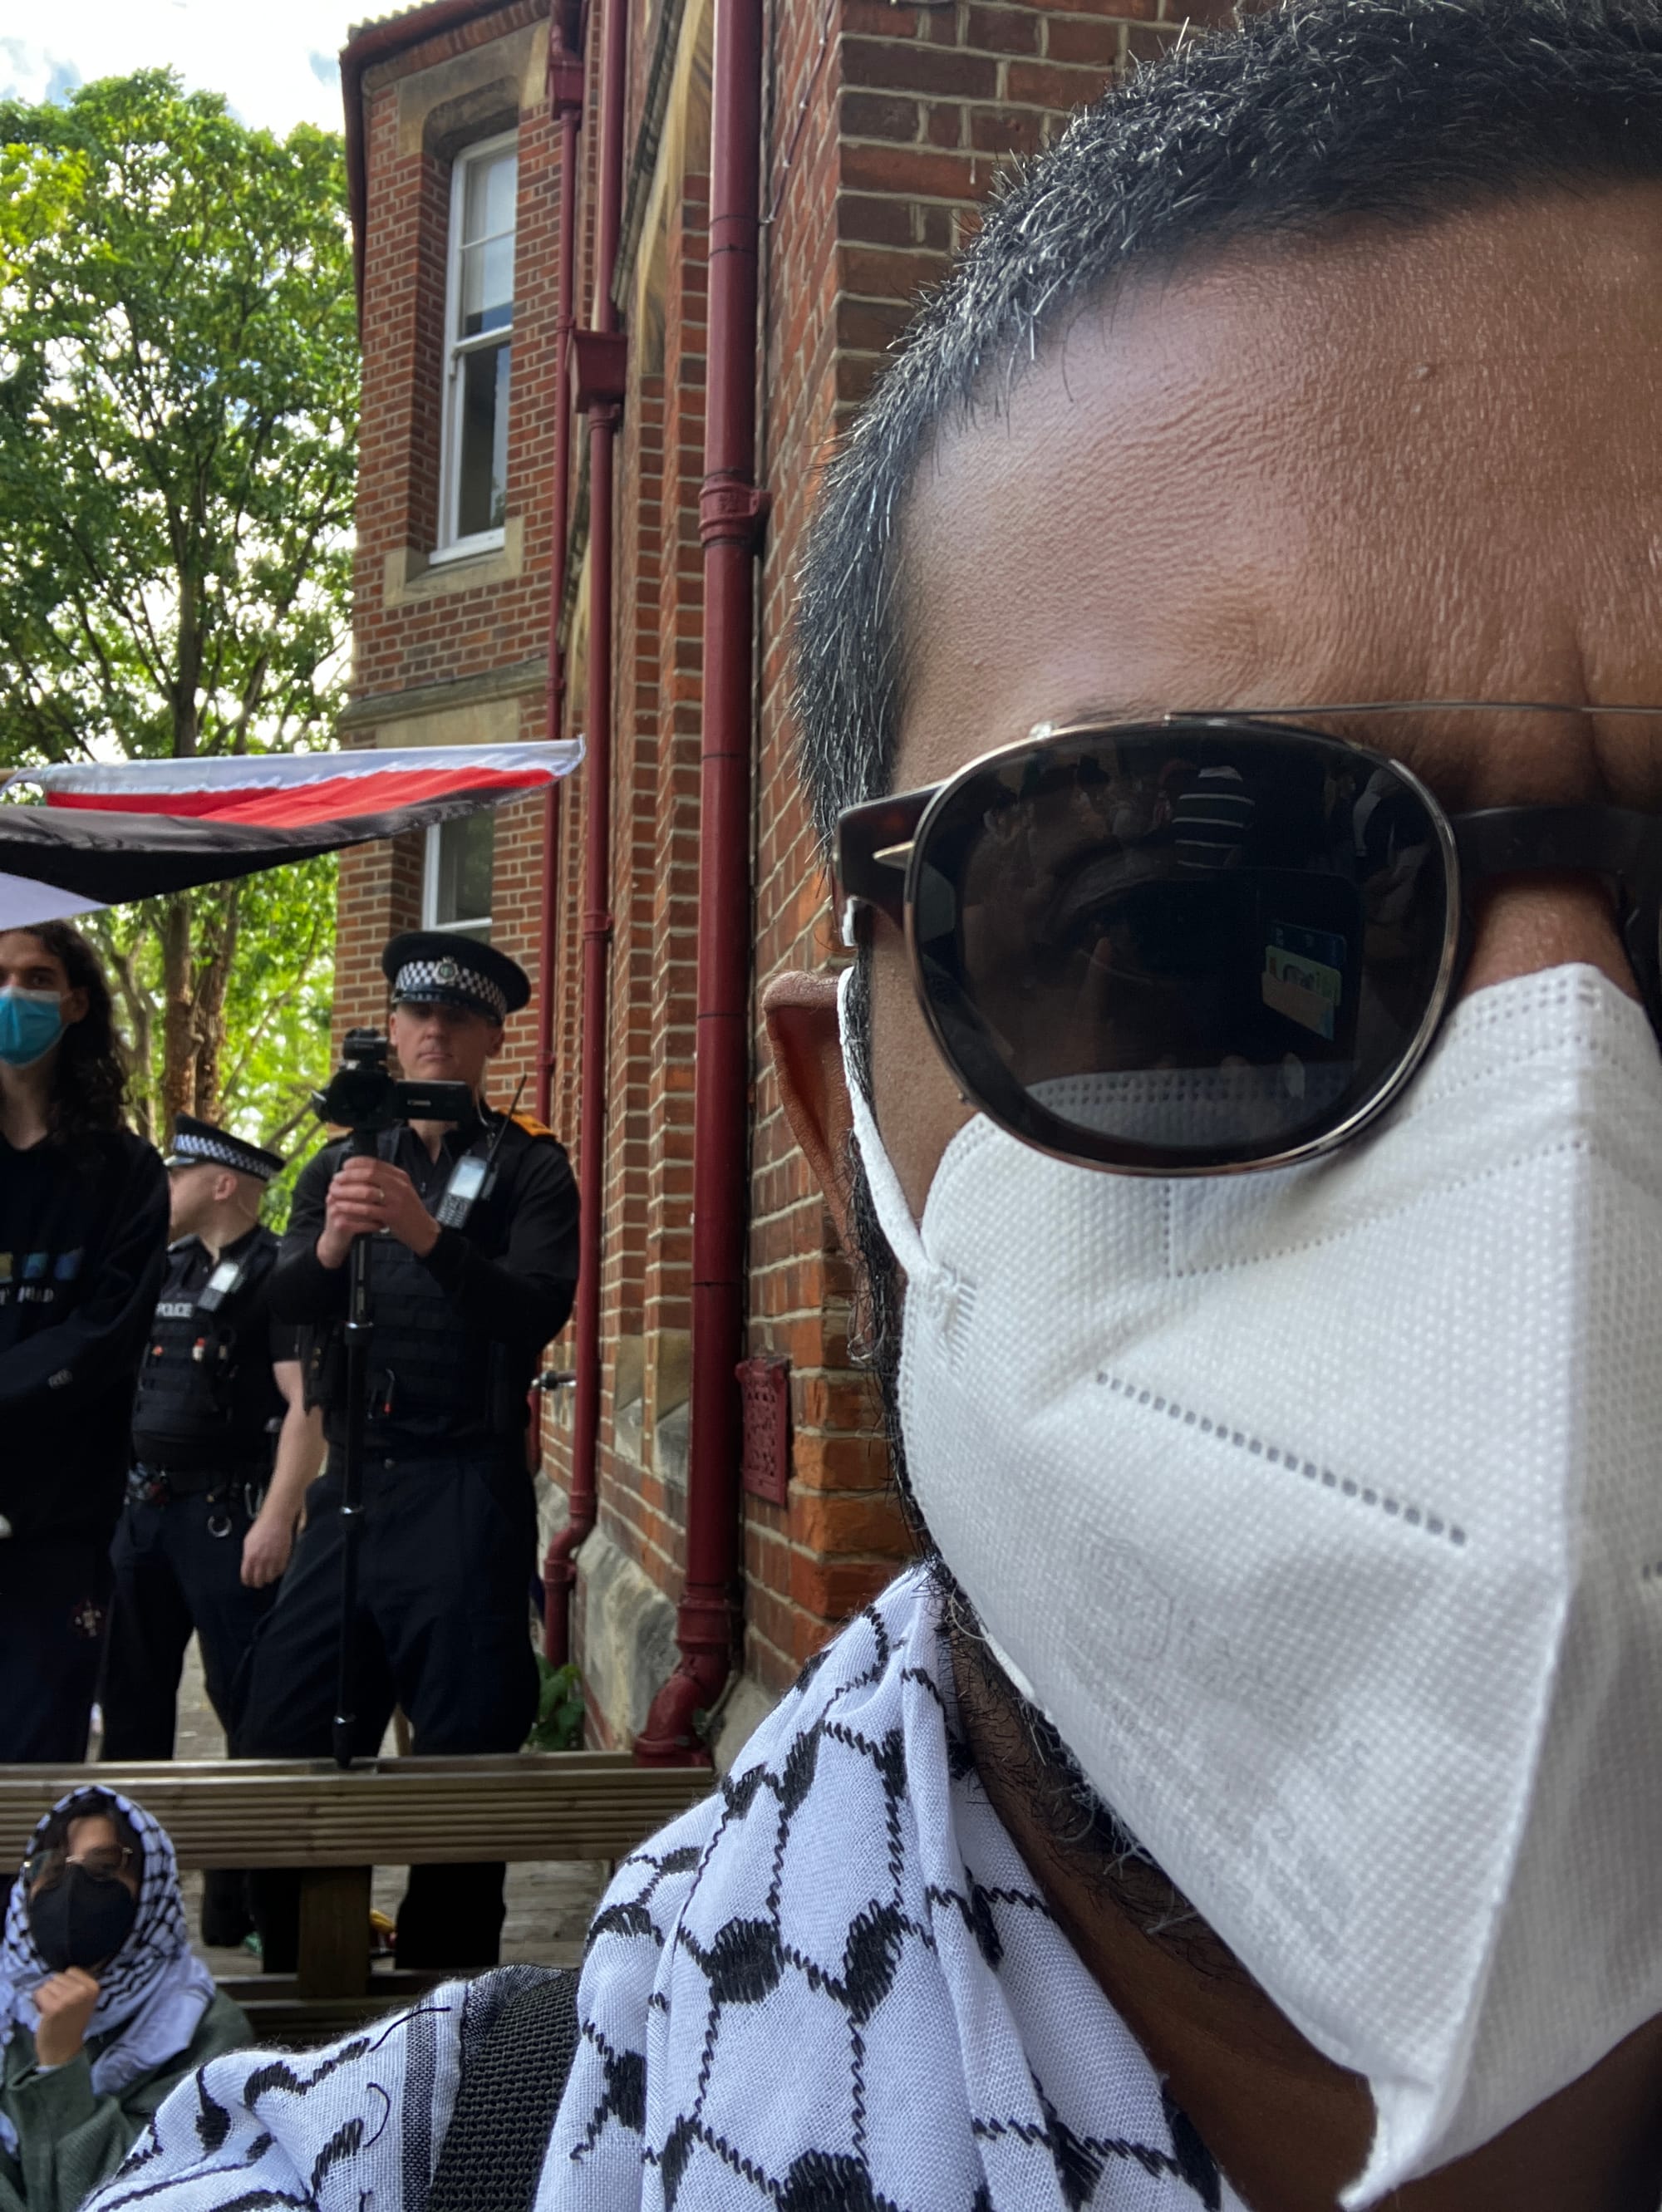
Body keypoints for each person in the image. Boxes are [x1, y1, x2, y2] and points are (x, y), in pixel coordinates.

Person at [73, 4, 1662, 2209]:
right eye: (1181, 927)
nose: (1561, 1210)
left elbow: (524, 1306)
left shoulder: (520, 1176)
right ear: (849, 1144)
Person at [238, 931, 578, 1972]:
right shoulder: (342, 1160)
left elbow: (533, 1309)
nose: (436, 1032)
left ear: (490, 1038)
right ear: (393, 1029)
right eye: (418, 1015)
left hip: (465, 1484)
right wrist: (333, 1243)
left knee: (466, 1745)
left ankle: (446, 1985)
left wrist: (428, 1236)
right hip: (355, 1481)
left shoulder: (529, 1163)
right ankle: (305, 1964)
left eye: (459, 1018)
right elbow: (279, 1302)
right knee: (279, 1724)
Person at [101, 1115, 323, 1949]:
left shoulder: (277, 1275)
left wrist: (276, 1517)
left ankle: (243, 1909)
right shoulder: (163, 1267)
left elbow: (306, 1408)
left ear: (223, 1182)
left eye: (178, 1176)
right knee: (130, 1715)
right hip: (141, 1518)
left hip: (227, 1521)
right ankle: (119, 1913)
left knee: (251, 1714)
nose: (163, 1191)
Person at [0, 925, 167, 1762]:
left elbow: (107, 1332)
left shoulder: (126, 1171)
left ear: (75, 1002)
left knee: (33, 1770)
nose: (13, 996)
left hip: (60, 1524)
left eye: (36, 978)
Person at [0, 1789, 248, 2211]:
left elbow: (135, 2194)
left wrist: (60, 2065)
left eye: (102, 1867)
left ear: (151, 1888)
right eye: (51, 1868)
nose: (71, 1889)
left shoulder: (202, 2030)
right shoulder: (9, 2007)